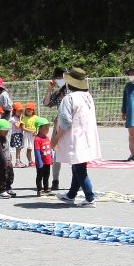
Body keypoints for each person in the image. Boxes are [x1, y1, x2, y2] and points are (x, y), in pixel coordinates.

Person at [52, 68, 101, 207]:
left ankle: (90, 197)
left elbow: (65, 122)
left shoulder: (69, 98)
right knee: (77, 165)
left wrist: (56, 138)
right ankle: (71, 194)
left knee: (79, 168)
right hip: (86, 135)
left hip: (74, 137)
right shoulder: (87, 96)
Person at [43, 67, 68, 190]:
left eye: (61, 76)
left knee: (74, 153)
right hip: (59, 124)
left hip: (71, 125)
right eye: (57, 77)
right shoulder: (58, 93)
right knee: (56, 153)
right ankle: (55, 180)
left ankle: (78, 180)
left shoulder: (73, 90)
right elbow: (46, 103)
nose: (59, 79)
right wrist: (50, 89)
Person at [0, 119, 16, 198]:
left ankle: (8, 188)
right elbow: (0, 153)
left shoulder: (5, 138)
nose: (6, 131)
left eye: (7, 130)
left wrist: (10, 159)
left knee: (10, 175)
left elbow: (7, 149)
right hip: (1, 162)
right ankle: (2, 191)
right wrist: (4, 161)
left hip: (8, 161)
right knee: (3, 176)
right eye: (4, 130)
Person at [33, 117, 53, 196]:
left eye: (48, 127)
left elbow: (49, 149)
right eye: (45, 127)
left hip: (47, 161)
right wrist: (39, 161)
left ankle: (46, 189)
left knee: (46, 176)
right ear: (39, 128)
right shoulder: (37, 139)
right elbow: (37, 151)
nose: (47, 129)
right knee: (39, 176)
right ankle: (39, 190)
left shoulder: (47, 138)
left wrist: (51, 158)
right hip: (41, 162)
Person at [21, 102, 38, 167]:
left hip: (34, 134)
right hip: (27, 135)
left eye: (30, 109)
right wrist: (31, 131)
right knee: (29, 148)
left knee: (36, 148)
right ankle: (30, 161)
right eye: (27, 109)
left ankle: (37, 160)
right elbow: (23, 128)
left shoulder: (36, 117)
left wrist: (36, 132)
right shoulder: (24, 118)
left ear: (33, 110)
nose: (29, 110)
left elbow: (38, 126)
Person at [9, 102, 25, 167]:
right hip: (16, 135)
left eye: (21, 111)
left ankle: (19, 160)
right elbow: (17, 126)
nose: (20, 112)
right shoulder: (13, 118)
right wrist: (20, 120)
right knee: (18, 148)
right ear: (15, 111)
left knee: (20, 148)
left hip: (20, 134)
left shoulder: (19, 118)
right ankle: (17, 162)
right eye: (18, 111)